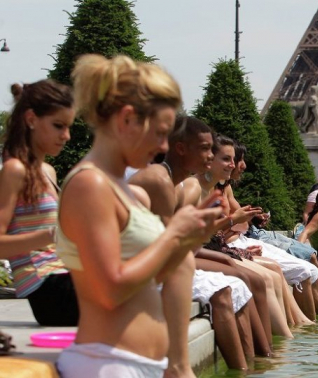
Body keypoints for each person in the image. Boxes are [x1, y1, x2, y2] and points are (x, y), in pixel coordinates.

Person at [55, 54, 222, 378]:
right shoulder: (90, 184)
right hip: (109, 363)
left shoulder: (117, 187)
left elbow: (145, 283)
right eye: (160, 133)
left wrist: (186, 241)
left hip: (132, 364)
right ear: (127, 119)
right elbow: (110, 290)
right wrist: (174, 235)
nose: (163, 146)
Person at [129, 115, 272, 363]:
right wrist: (214, 226)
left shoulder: (173, 182)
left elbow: (179, 245)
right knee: (225, 289)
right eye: (205, 149)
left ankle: (258, 363)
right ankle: (248, 368)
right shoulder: (161, 181)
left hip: (156, 266)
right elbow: (169, 251)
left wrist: (204, 229)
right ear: (181, 148)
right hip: (140, 273)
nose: (210, 155)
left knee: (235, 284)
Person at [223, 140, 318, 319]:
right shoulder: (205, 189)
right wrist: (237, 221)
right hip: (237, 244)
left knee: (309, 267)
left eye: (236, 159)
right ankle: (308, 330)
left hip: (243, 240)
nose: (240, 165)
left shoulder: (224, 188)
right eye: (235, 159)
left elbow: (236, 222)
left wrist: (249, 219)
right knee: (303, 270)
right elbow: (216, 229)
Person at [0, 80, 77, 326]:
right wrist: (51, 234)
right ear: (31, 119)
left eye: (68, 127)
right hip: (47, 286)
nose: (66, 136)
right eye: (58, 126)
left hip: (67, 275)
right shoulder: (15, 170)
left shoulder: (47, 171)